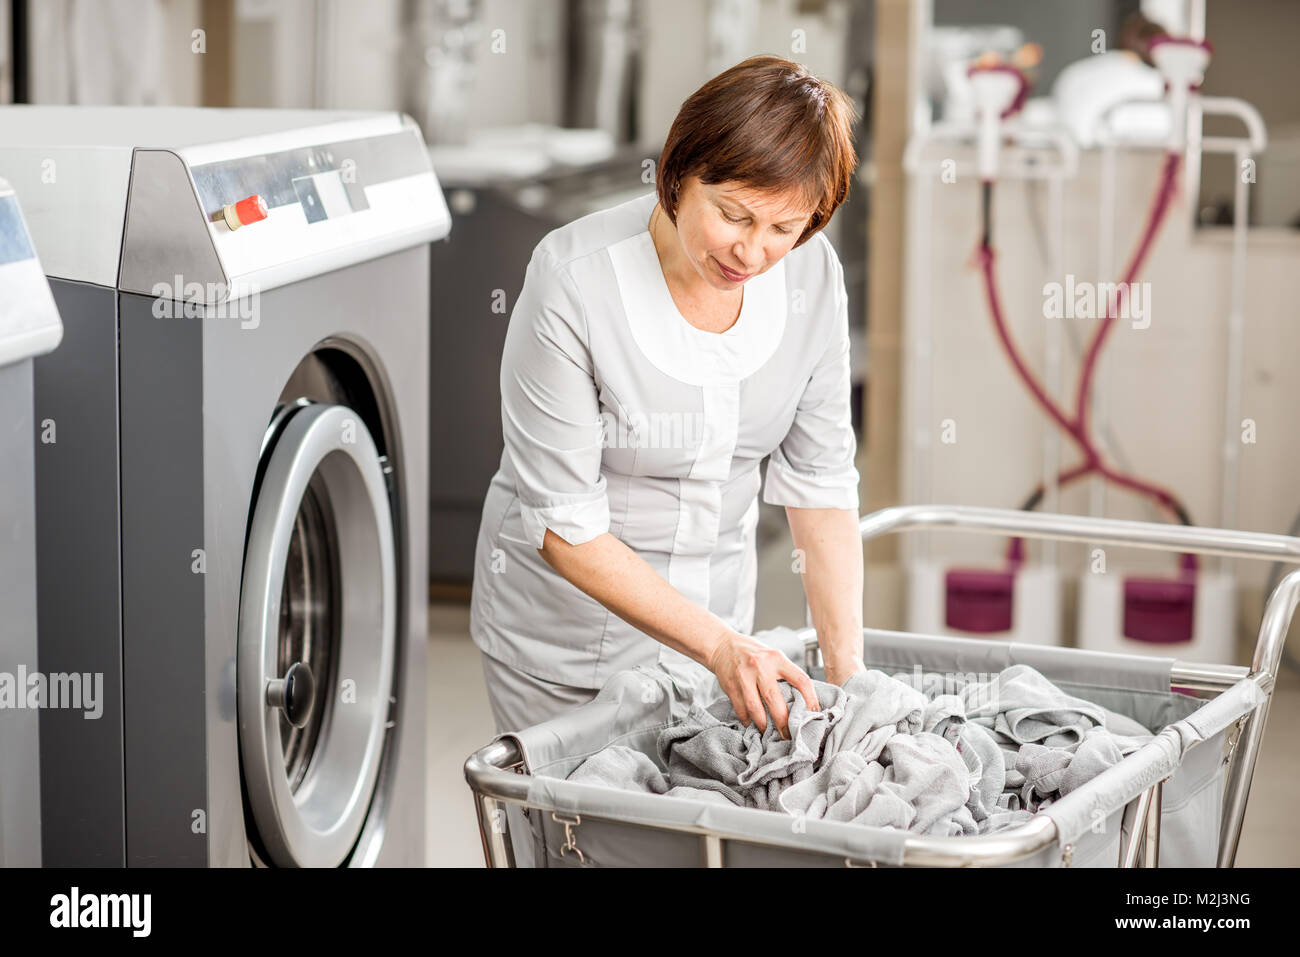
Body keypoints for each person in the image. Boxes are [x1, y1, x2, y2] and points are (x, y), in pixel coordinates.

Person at [470, 54, 865, 743]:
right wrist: (715, 645)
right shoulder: (574, 281)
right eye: (734, 215)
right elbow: (567, 526)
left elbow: (822, 486)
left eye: (784, 227)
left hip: (719, 641)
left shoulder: (810, 276)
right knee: (577, 846)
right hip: (567, 648)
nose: (754, 251)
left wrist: (851, 678)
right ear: (678, 175)